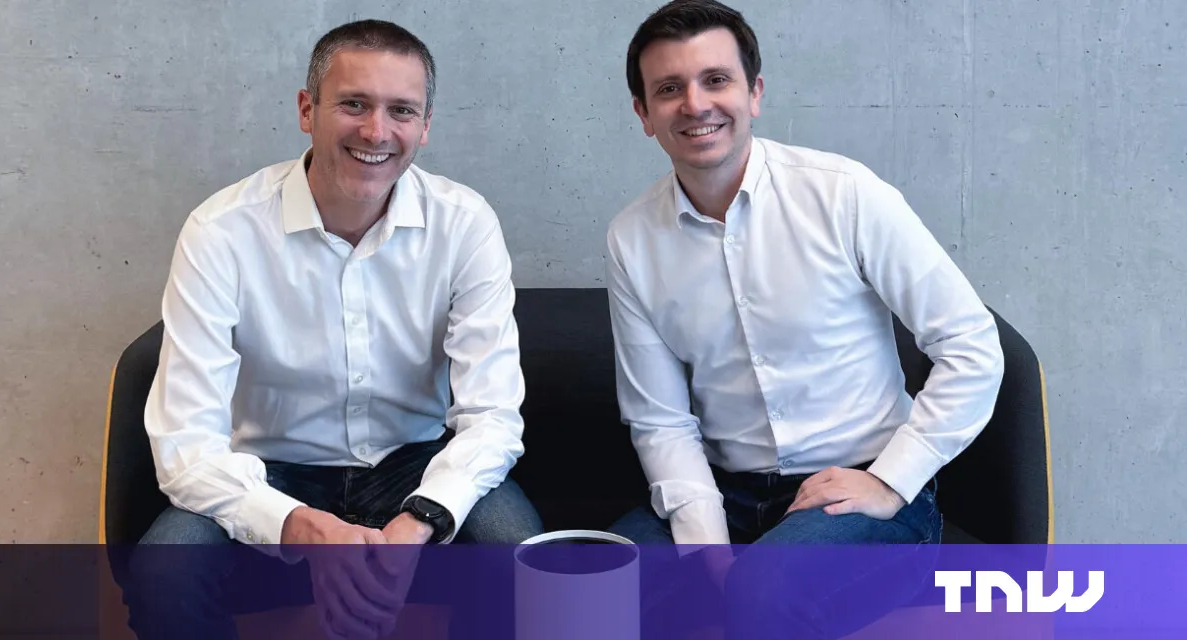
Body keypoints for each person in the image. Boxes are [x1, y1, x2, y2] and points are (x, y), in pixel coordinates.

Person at [121, 18, 543, 640]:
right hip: (269, 468)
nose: (376, 131)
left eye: (402, 110)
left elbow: (494, 416)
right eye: (353, 104)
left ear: (425, 125)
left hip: (416, 463)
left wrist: (421, 518)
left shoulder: (465, 224)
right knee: (165, 572)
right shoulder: (221, 232)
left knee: (524, 559)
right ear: (306, 108)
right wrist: (293, 522)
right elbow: (185, 442)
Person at [604, 0, 1005, 635]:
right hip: (726, 494)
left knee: (762, 595)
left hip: (864, 492)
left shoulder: (844, 193)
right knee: (600, 586)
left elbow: (972, 346)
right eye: (669, 88)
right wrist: (707, 548)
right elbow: (659, 418)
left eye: (716, 79)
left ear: (754, 92)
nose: (695, 104)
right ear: (643, 113)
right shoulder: (632, 238)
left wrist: (891, 484)